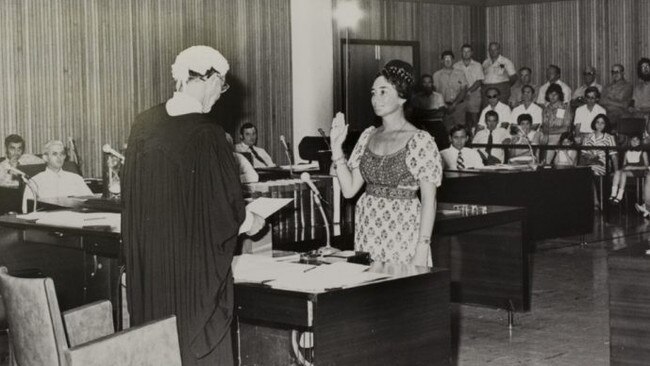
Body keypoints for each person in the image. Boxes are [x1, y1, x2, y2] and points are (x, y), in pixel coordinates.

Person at [122, 45, 265, 366]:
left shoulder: (143, 125)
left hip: (153, 276)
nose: (220, 93)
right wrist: (250, 221)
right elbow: (225, 210)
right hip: (192, 283)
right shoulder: (208, 134)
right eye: (222, 84)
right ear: (206, 78)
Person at [329, 59, 442, 267]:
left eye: (383, 92)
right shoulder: (367, 136)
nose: (375, 99)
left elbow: (429, 200)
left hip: (403, 231)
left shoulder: (420, 140)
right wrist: (337, 149)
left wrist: (422, 248)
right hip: (367, 229)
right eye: (373, 92)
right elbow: (349, 190)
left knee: (400, 293)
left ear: (402, 98)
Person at [22, 140, 92, 212]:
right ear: (45, 158)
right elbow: (26, 209)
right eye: (55, 154)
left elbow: (91, 203)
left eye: (62, 154)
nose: (59, 157)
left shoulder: (76, 178)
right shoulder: (35, 181)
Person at [410, 74, 447, 149]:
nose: (427, 85)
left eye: (429, 82)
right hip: (422, 125)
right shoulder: (417, 97)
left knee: (441, 145)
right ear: (421, 84)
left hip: (437, 125)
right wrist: (434, 111)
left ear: (432, 83)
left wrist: (424, 112)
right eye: (424, 82)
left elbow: (441, 113)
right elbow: (416, 114)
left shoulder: (438, 96)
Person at [453, 44, 485, 132]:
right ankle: (462, 135)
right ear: (461, 53)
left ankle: (474, 137)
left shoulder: (478, 65)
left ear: (472, 53)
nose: (466, 53)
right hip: (460, 95)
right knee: (460, 118)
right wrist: (462, 93)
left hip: (474, 94)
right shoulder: (456, 66)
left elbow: (479, 81)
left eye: (468, 51)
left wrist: (468, 91)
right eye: (464, 51)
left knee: (474, 118)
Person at [432, 50, 468, 128]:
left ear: (453, 60)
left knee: (460, 129)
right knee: (446, 129)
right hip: (444, 107)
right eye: (445, 59)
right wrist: (445, 106)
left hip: (459, 106)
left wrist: (454, 104)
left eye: (450, 59)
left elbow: (464, 90)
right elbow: (435, 93)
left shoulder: (460, 73)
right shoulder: (437, 75)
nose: (448, 61)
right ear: (442, 61)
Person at [541, 84, 573, 164]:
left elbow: (565, 128)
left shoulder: (565, 107)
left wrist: (549, 132)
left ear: (559, 95)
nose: (552, 96)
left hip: (561, 136)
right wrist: (546, 133)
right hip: (547, 135)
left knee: (551, 143)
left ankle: (546, 165)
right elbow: (544, 126)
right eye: (550, 94)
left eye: (555, 94)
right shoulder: (546, 109)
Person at [610, 134, 647, 203]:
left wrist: (632, 167)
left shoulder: (643, 151)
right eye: (633, 140)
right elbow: (624, 164)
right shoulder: (627, 151)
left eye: (637, 140)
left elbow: (647, 166)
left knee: (623, 173)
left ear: (640, 142)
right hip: (627, 170)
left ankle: (620, 195)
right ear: (630, 141)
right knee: (618, 172)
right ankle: (613, 193)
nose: (634, 141)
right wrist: (624, 168)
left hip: (638, 170)